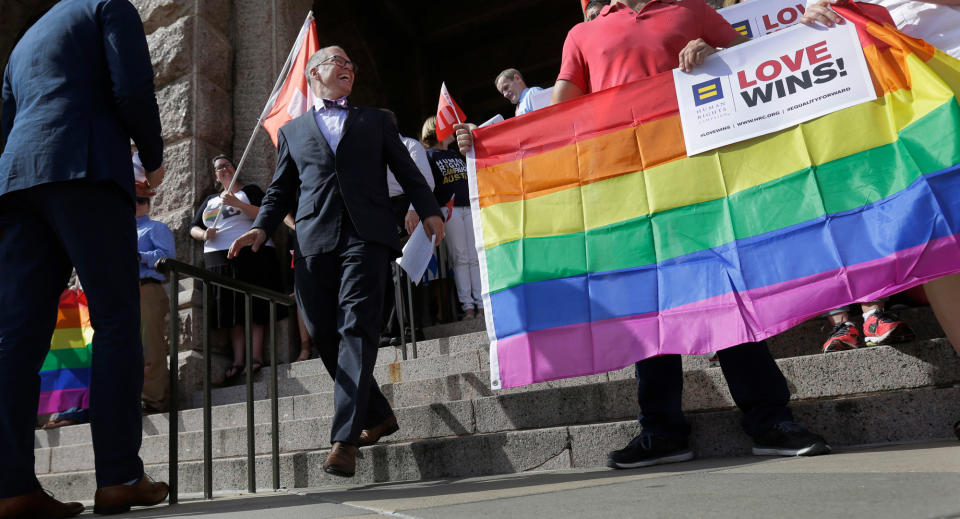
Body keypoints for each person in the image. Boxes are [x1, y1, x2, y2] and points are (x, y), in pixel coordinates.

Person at [457, 0, 830, 470]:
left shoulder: (692, 9)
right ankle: (661, 429)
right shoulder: (582, 35)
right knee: (646, 303)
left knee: (728, 291)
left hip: (702, 176)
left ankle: (771, 418)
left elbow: (755, 64)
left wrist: (721, 50)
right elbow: (556, 121)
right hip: (626, 192)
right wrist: (484, 142)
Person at [228, 45, 444, 478]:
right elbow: (280, 189)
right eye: (338, 62)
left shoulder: (375, 120)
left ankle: (344, 439)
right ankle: (378, 413)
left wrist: (431, 208)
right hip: (313, 241)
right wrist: (262, 227)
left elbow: (408, 172)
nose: (348, 68)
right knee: (324, 331)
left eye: (351, 63)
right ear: (313, 74)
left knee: (356, 328)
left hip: (367, 238)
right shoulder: (292, 131)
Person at [0, 0, 169, 516]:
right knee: (117, 318)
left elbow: (6, 121)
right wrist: (155, 157)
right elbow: (132, 88)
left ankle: (11, 487)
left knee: (15, 337)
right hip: (86, 167)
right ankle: (118, 476)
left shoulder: (24, 41)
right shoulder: (108, 6)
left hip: (17, 182)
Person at [190, 155, 284, 379]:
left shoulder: (249, 191)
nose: (224, 169)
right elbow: (193, 227)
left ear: (234, 168)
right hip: (218, 259)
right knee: (231, 310)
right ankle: (239, 359)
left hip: (251, 255)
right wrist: (204, 234)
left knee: (254, 306)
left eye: (227, 165)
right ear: (215, 175)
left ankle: (256, 356)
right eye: (219, 168)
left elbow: (266, 214)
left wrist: (238, 204)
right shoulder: (210, 200)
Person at [420, 116, 483, 320]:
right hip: (449, 210)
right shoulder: (428, 155)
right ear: (435, 130)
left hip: (469, 206)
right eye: (446, 127)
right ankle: (468, 306)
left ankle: (481, 305)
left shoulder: (455, 153)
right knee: (460, 256)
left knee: (475, 256)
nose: (452, 130)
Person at [136, 195, 175, 413]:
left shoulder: (155, 227)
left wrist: (139, 256)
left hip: (147, 287)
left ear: (149, 204)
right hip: (124, 292)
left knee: (150, 345)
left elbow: (167, 257)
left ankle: (153, 398)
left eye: (141, 199)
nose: (136, 203)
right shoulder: (119, 230)